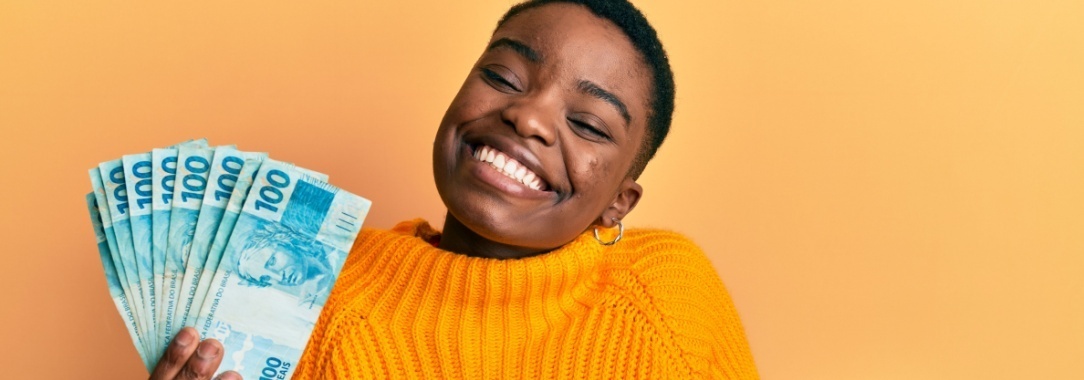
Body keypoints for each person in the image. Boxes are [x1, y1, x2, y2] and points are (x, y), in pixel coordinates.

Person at [149, 0, 759, 379]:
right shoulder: (312, 295)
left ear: (620, 202)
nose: (530, 117)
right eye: (503, 75)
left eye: (587, 124)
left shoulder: (664, 300)